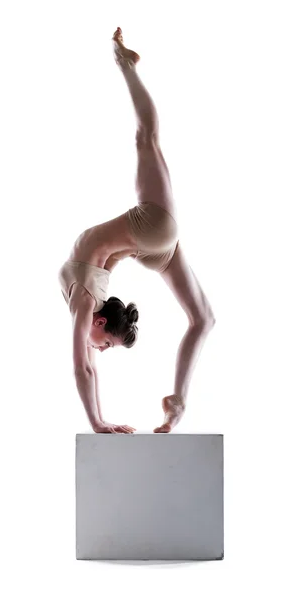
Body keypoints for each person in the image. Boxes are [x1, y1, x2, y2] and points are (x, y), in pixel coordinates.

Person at [58, 27, 216, 435]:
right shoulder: (90, 290)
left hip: (151, 229)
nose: (100, 350)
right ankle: (177, 404)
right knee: (203, 318)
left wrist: (97, 422)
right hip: (150, 245)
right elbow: (88, 364)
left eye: (105, 344)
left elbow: (81, 366)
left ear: (100, 324)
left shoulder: (85, 301)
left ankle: (125, 63)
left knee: (147, 139)